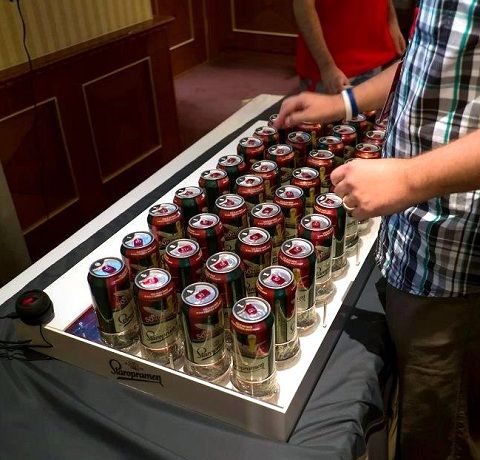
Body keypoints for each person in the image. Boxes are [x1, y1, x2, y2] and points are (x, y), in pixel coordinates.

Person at [273, 1, 480, 459]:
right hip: (415, 240)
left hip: (456, 258)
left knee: (438, 437)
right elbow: (430, 62)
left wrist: (408, 178)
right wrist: (343, 102)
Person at [294, 0, 407, 94]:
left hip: (376, 56)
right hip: (336, 71)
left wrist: (391, 20)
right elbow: (303, 6)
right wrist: (327, 67)